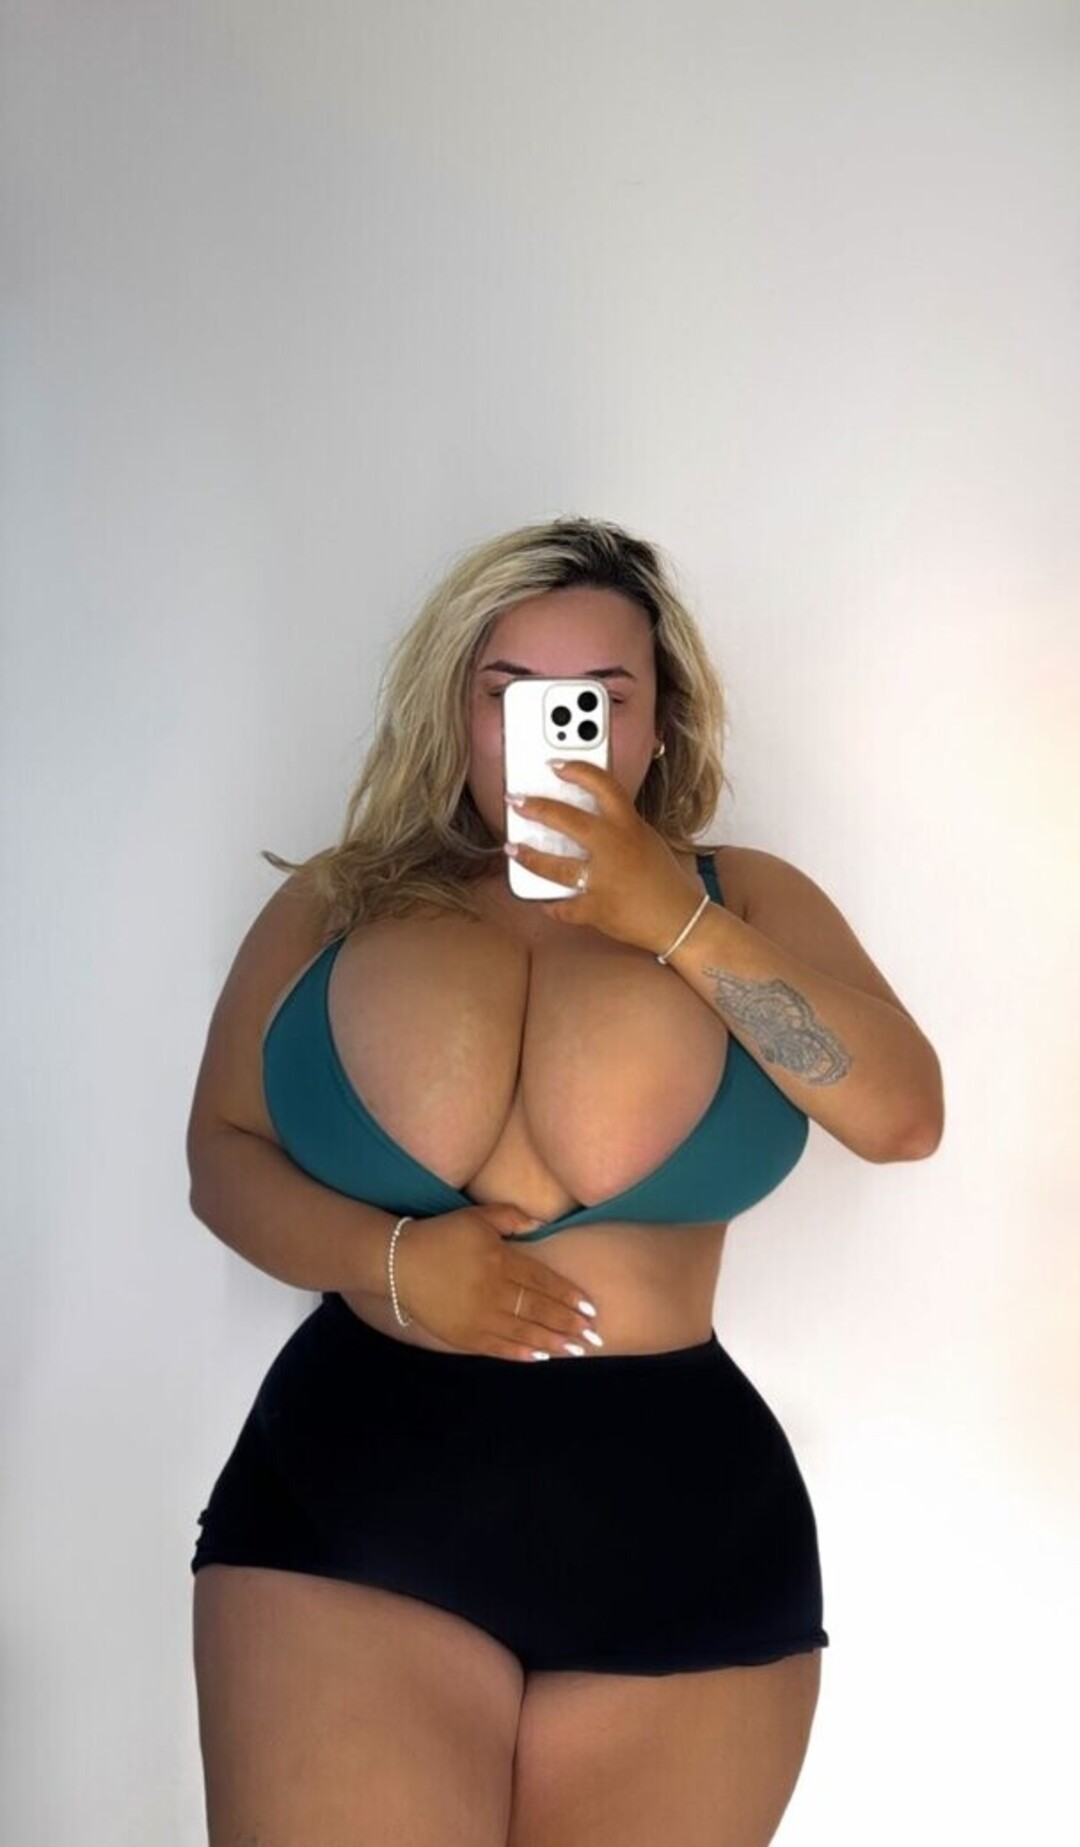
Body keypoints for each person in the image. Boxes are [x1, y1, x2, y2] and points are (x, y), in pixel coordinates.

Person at [187, 515, 943, 1846]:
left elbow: (899, 1118)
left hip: (685, 1538)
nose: (555, 730)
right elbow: (222, 1157)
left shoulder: (743, 899)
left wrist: (672, 919)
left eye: (599, 696)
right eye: (512, 693)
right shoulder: (339, 903)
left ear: (659, 722)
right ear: (458, 710)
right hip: (352, 1501)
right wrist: (391, 1264)